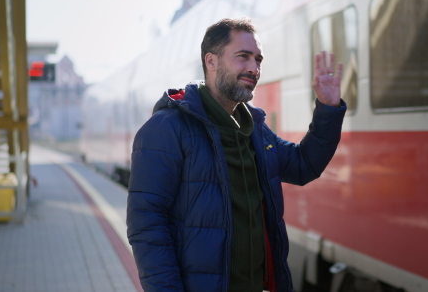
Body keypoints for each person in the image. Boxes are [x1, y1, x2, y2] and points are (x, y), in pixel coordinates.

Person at [126, 18, 346, 292]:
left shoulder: (255, 130)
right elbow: (147, 225)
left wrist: (328, 108)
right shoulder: (167, 129)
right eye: (243, 57)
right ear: (211, 61)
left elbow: (304, 165)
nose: (253, 68)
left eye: (258, 60)